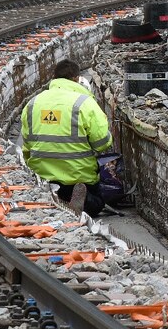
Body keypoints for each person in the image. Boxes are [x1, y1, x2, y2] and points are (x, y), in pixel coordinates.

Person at [20, 58, 113, 216]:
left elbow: (27, 146)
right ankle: (84, 201)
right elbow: (102, 143)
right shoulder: (85, 103)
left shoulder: (33, 103)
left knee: (52, 191)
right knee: (98, 203)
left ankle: (55, 197)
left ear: (54, 78)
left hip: (43, 175)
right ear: (76, 78)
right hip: (78, 176)